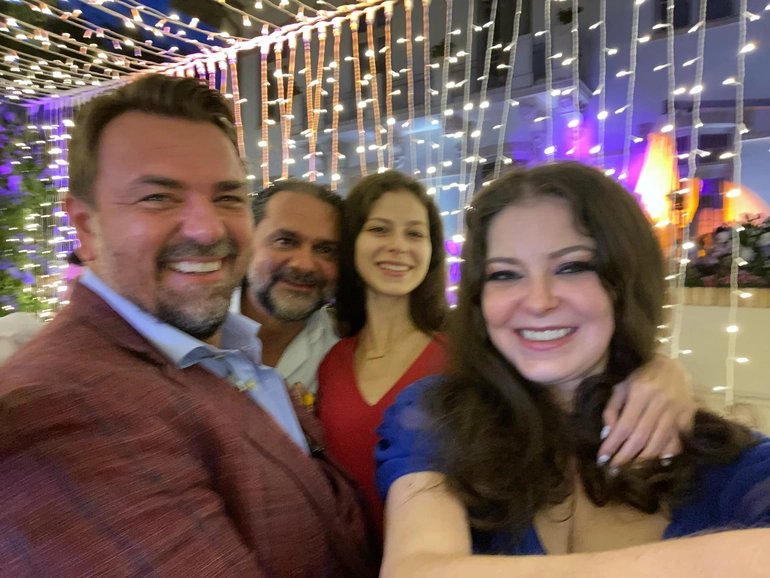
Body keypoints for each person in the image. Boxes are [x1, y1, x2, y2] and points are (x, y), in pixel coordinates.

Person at [0, 74, 379, 577]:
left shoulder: (227, 351)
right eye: (158, 197)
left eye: (227, 197)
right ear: (87, 227)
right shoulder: (55, 410)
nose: (207, 228)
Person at [375, 162, 770, 577]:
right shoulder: (437, 417)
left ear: (626, 280)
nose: (538, 301)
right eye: (505, 274)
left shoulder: (733, 466)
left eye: (573, 267)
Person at [318, 170, 696, 534]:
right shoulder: (330, 357)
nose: (398, 245)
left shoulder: (472, 349)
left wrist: (657, 369)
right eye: (379, 229)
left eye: (415, 233)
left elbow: (559, 375)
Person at [234, 180, 342, 395]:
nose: (305, 265)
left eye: (325, 250)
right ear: (246, 243)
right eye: (285, 241)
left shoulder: (343, 354)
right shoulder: (187, 332)